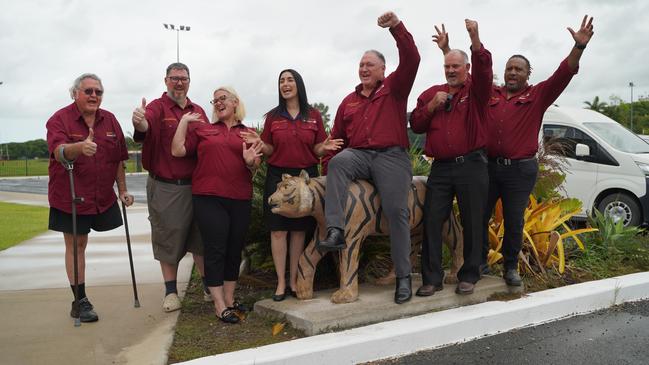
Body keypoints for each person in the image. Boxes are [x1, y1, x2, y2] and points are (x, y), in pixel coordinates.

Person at [432, 16, 594, 286]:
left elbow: (563, 74)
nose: (512, 73)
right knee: (478, 217)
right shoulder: (490, 94)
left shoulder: (538, 95)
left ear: (528, 74)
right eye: (509, 69)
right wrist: (445, 50)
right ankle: (480, 262)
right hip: (487, 166)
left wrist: (579, 47)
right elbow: (465, 73)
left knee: (514, 219)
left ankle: (510, 267)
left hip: (520, 169)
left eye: (518, 69)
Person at [317, 11, 420, 304]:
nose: (363, 68)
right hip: (359, 155)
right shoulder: (347, 102)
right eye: (361, 64)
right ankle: (335, 230)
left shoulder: (395, 89)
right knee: (339, 160)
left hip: (391, 156)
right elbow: (337, 141)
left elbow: (412, 58)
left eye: (369, 64)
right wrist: (327, 168)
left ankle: (403, 277)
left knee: (397, 211)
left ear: (383, 70)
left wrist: (397, 27)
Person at [240, 69, 342, 301]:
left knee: (298, 232)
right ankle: (281, 283)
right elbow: (269, 149)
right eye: (281, 81)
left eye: (290, 80)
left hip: (304, 179)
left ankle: (295, 281)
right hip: (278, 178)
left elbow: (316, 148)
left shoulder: (313, 115)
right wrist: (260, 143)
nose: (285, 84)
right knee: (278, 231)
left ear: (298, 85)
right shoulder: (273, 117)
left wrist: (323, 148)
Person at [409, 19, 492, 296]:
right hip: (441, 168)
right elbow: (417, 125)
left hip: (471, 165)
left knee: (472, 220)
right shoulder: (432, 93)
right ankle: (431, 279)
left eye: (456, 66)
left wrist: (475, 38)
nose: (451, 70)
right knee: (432, 220)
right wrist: (432, 106)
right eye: (447, 66)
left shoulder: (477, 92)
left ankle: (469, 274)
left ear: (466, 69)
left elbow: (484, 70)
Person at [46, 73, 133, 322]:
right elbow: (59, 151)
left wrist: (123, 190)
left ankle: (80, 298)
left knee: (84, 244)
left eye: (98, 92)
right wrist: (79, 147)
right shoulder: (59, 119)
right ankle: (80, 301)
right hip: (70, 195)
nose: (94, 96)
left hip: (102, 196)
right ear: (75, 94)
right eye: (88, 91)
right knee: (77, 246)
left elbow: (118, 159)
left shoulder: (111, 120)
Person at [171, 86, 262, 323]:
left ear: (235, 102)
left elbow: (255, 164)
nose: (218, 103)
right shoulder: (204, 130)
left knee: (234, 248)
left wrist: (251, 162)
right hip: (208, 197)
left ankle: (230, 300)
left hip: (240, 197)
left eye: (223, 99)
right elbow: (177, 150)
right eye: (215, 101)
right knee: (216, 248)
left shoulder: (248, 133)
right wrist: (183, 122)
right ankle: (219, 304)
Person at [131, 63, 208, 312]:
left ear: (189, 81)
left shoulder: (198, 111)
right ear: (166, 80)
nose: (179, 83)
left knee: (201, 239)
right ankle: (171, 291)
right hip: (167, 186)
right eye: (174, 78)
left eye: (183, 78)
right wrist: (139, 121)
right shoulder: (157, 107)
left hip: (197, 185)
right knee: (168, 238)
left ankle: (208, 285)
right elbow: (145, 127)